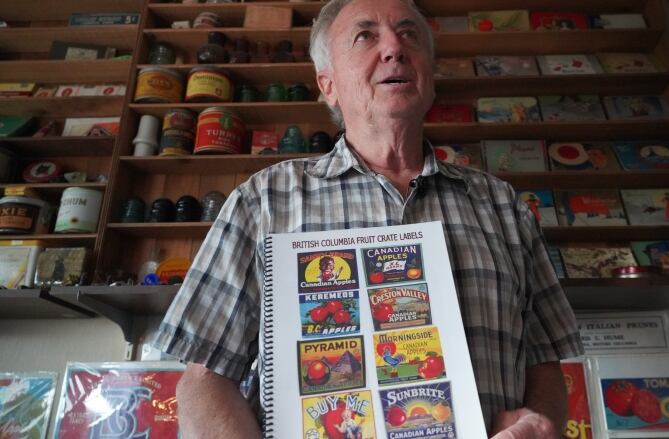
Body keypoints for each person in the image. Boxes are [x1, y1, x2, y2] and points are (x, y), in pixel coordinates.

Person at [153, 0, 583, 438]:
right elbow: (206, 378)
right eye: (366, 36)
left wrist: (537, 422)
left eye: (410, 33)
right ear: (329, 84)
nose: (395, 47)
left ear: (430, 76)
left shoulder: (503, 206)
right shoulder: (263, 200)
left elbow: (544, 360)